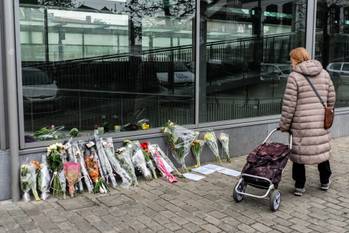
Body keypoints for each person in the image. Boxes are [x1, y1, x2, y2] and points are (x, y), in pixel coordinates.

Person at [279, 47, 336, 196]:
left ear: (296, 60)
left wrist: (284, 125)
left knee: (299, 155)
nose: (290, 63)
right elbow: (331, 98)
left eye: (291, 59)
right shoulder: (324, 74)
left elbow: (289, 105)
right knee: (320, 150)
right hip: (319, 123)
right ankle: (325, 181)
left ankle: (300, 185)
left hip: (301, 124)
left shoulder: (294, 77)